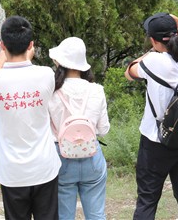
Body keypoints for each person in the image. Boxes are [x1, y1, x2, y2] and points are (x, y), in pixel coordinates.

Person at [0, 16, 60, 220]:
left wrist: (0, 65)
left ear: (2, 45)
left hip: (12, 172)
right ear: (31, 45)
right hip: (44, 167)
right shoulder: (46, 74)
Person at [125, 13, 178, 220]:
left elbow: (129, 73)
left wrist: (149, 53)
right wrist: (172, 18)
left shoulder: (152, 61)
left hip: (155, 141)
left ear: (153, 40)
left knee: (148, 199)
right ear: (176, 35)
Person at [48, 37, 110, 220]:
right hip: (92, 155)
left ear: (60, 62)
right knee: (97, 215)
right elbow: (104, 129)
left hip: (61, 156)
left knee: (64, 216)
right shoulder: (97, 90)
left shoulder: (51, 92)